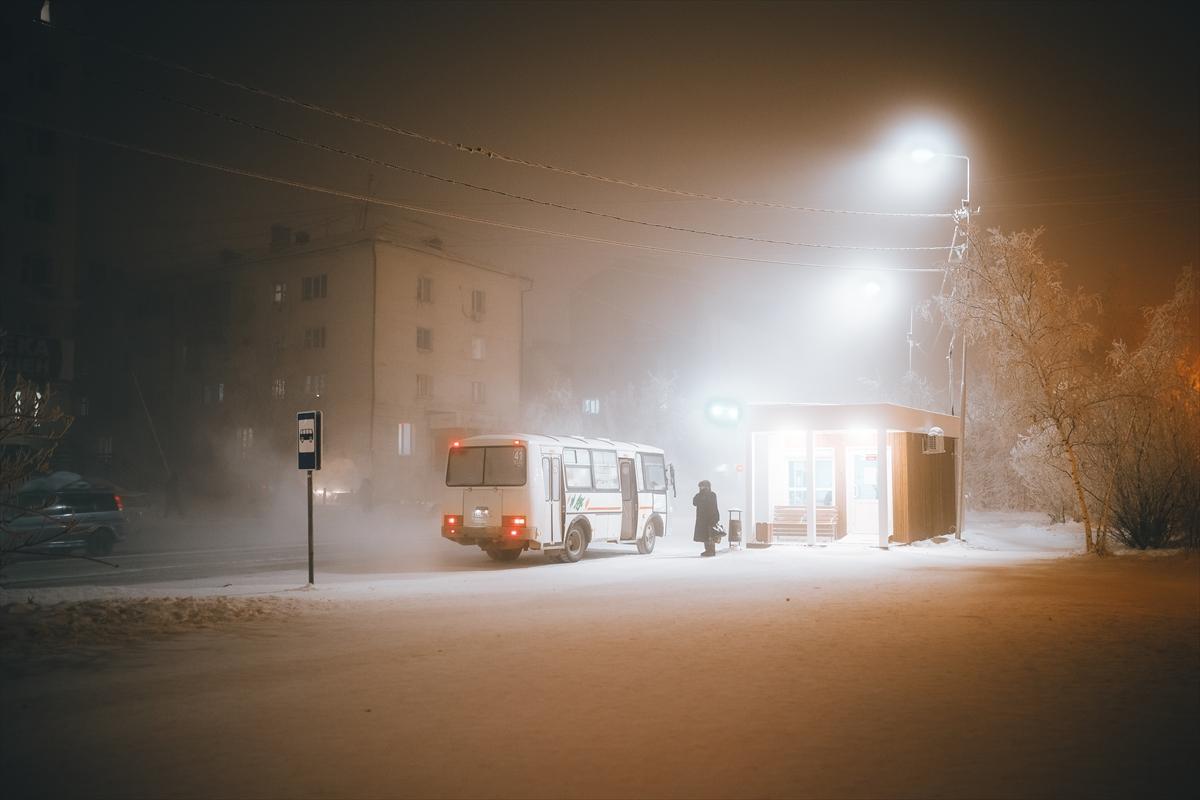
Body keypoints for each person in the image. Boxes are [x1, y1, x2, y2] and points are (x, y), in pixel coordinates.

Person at [693, 479, 720, 557]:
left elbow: (713, 506)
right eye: (700, 487)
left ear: (707, 487)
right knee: (704, 535)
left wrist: (715, 518)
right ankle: (707, 550)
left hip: (711, 518)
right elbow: (694, 502)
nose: (701, 488)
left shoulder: (712, 495)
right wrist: (700, 494)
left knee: (710, 535)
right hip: (702, 519)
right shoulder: (699, 495)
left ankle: (712, 551)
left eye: (703, 486)